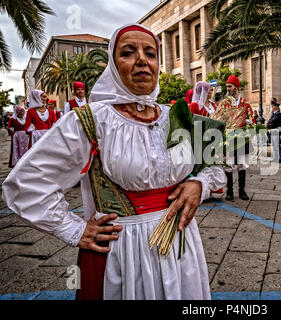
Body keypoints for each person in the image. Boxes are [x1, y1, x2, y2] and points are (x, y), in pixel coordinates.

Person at [2, 24, 226, 300]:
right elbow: (26, 184)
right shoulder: (91, 120)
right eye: (128, 52)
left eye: (150, 53)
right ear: (113, 64)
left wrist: (199, 184)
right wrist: (73, 229)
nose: (142, 60)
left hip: (181, 244)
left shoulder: (177, 115)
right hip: (123, 251)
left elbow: (215, 166)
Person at [223, 75, 255, 201]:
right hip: (229, 137)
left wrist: (247, 121)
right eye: (226, 87)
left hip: (242, 137)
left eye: (229, 86)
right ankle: (229, 191)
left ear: (236, 87)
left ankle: (242, 191)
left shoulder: (245, 104)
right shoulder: (225, 104)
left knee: (242, 164)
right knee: (228, 165)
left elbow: (252, 120)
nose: (227, 89)